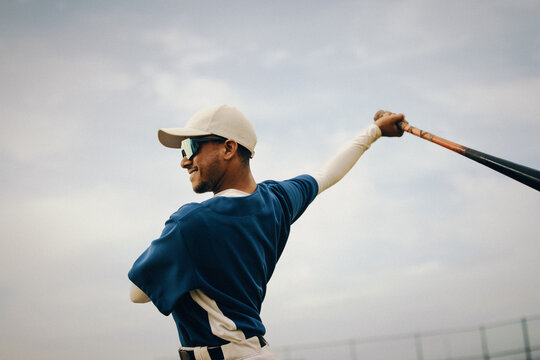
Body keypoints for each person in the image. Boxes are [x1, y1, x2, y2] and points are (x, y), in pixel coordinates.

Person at [128, 105, 406, 360]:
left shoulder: (190, 223)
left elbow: (137, 292)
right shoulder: (277, 200)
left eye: (191, 147)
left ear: (228, 148)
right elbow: (325, 175)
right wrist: (374, 132)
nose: (184, 161)